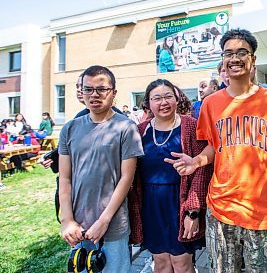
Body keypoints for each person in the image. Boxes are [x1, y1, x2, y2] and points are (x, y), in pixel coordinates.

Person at [166, 28, 267, 272]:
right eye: (228, 53)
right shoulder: (210, 103)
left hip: (261, 209)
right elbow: (212, 146)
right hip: (221, 209)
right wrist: (197, 161)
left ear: (253, 59)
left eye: (242, 52)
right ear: (223, 60)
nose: (235, 58)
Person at [58, 65, 144, 272]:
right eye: (88, 89)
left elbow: (126, 179)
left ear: (113, 92)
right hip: (78, 226)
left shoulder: (126, 127)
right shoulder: (70, 128)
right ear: (81, 92)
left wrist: (104, 221)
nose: (94, 95)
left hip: (113, 224)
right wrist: (67, 220)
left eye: (102, 89)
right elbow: (65, 179)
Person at [129, 79, 212, 273]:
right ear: (148, 103)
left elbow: (202, 171)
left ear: (177, 99)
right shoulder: (140, 131)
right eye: (156, 98)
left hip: (179, 204)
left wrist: (193, 212)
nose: (163, 102)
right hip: (150, 206)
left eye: (168, 97)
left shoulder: (191, 126)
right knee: (161, 263)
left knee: (182, 264)